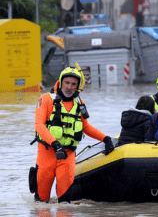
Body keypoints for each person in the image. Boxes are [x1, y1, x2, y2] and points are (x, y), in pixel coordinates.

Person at [30, 66, 115, 203]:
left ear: (78, 86)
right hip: (47, 154)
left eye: (73, 84)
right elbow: (39, 125)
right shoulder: (45, 99)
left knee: (65, 204)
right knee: (41, 202)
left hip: (67, 156)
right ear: (61, 82)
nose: (69, 87)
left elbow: (85, 127)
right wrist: (55, 144)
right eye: (67, 83)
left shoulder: (79, 103)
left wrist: (105, 139)